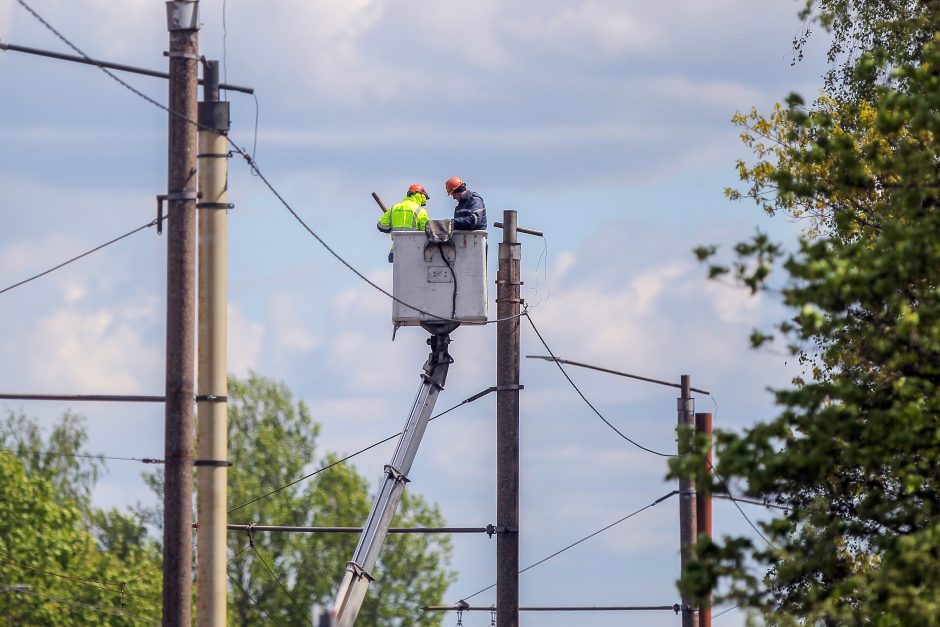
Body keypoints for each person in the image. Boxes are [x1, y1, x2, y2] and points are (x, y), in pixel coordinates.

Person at [377, 183, 431, 262]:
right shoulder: (421, 211)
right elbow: (426, 233)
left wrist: (392, 228)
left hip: (396, 249)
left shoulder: (394, 208)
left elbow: (381, 225)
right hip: (415, 250)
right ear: (420, 195)